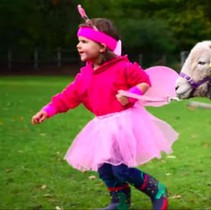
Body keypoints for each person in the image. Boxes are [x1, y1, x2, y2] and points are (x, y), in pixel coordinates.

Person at [31, 5, 178, 210]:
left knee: (121, 169)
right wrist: (47, 110)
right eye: (79, 41)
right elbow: (68, 96)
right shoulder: (85, 75)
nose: (78, 45)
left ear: (102, 47)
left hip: (124, 123)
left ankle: (157, 190)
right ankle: (120, 202)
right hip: (101, 126)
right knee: (104, 169)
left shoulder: (123, 67)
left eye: (84, 41)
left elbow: (144, 81)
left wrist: (130, 96)